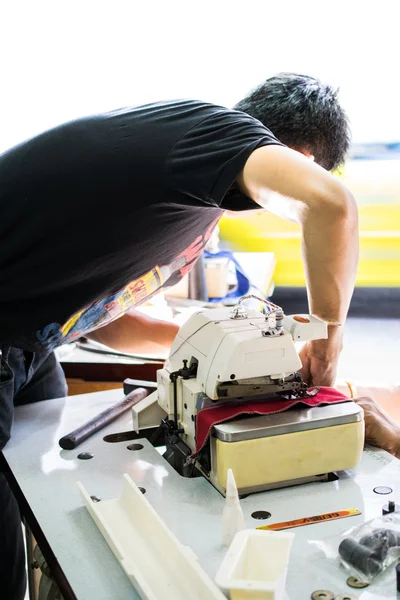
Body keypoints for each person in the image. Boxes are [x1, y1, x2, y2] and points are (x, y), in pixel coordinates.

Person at [0, 72, 397, 599]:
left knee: (40, 496)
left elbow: (103, 314)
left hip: (30, 340)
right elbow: (333, 206)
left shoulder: (200, 202)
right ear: (299, 155)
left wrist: (213, 348)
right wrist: (328, 340)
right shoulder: (214, 131)